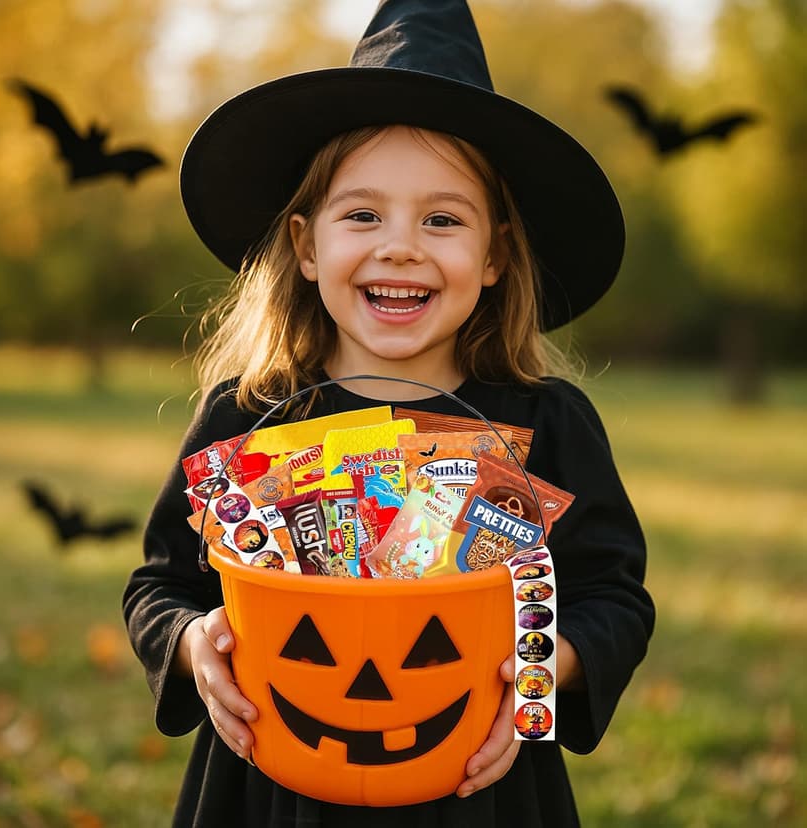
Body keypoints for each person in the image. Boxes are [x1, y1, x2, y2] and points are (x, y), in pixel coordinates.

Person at [123, 1, 655, 826]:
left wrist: (540, 671)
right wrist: (196, 645)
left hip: (479, 784)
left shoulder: (549, 423)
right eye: (363, 214)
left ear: (494, 255)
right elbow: (161, 585)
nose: (400, 245)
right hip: (273, 781)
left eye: (442, 219)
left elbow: (611, 599)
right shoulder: (249, 416)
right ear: (306, 246)